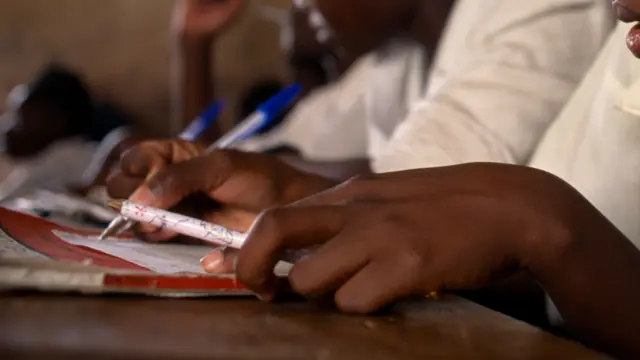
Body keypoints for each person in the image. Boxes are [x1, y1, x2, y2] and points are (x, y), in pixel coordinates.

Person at [0, 65, 138, 202]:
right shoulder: (41, 164)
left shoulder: (70, 162)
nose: (5, 127)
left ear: (52, 120)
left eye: (19, 116)